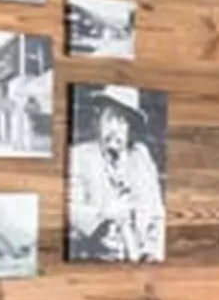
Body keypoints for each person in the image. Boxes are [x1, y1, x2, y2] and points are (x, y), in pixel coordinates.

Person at [70, 93, 164, 261]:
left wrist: (153, 252)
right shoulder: (79, 157)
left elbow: (158, 214)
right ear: (98, 122)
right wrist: (105, 213)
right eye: (108, 119)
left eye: (121, 121)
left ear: (130, 128)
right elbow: (70, 211)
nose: (114, 128)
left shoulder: (141, 158)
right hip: (96, 263)